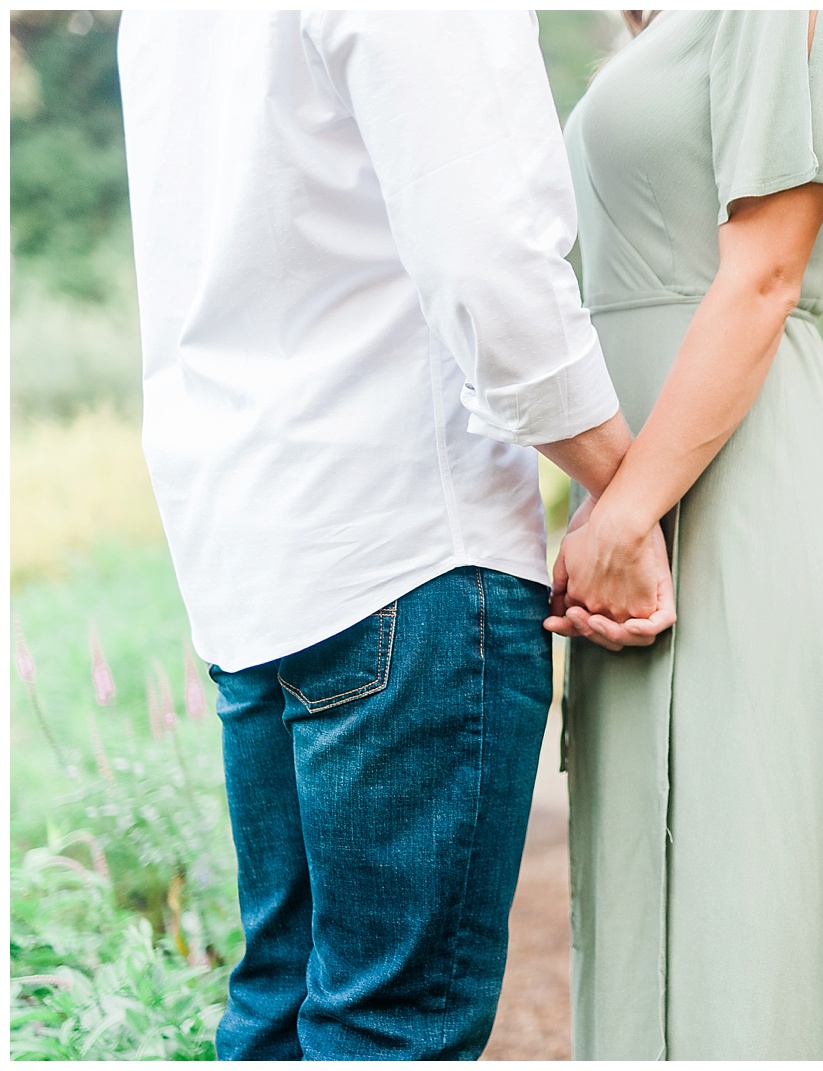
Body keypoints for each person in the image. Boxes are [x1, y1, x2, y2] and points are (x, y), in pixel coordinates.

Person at [117, 12, 672, 1060]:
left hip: (252, 546)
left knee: (282, 1009)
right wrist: (623, 490)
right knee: (385, 1031)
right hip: (407, 538)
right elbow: (488, 259)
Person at [548, 9, 823, 1059]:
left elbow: (766, 274)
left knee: (752, 943)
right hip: (653, 493)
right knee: (666, 918)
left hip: (737, 504)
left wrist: (628, 511)